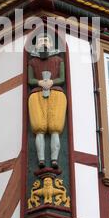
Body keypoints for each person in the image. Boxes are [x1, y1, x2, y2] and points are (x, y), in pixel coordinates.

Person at [28, 34, 67, 169]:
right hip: (37, 94)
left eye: (46, 41)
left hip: (56, 92)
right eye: (40, 41)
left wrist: (51, 82)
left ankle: (54, 159)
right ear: (36, 45)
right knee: (39, 127)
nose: (43, 43)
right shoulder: (33, 62)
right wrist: (39, 82)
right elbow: (30, 80)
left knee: (55, 128)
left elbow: (62, 78)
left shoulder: (58, 60)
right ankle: (41, 159)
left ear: (51, 44)